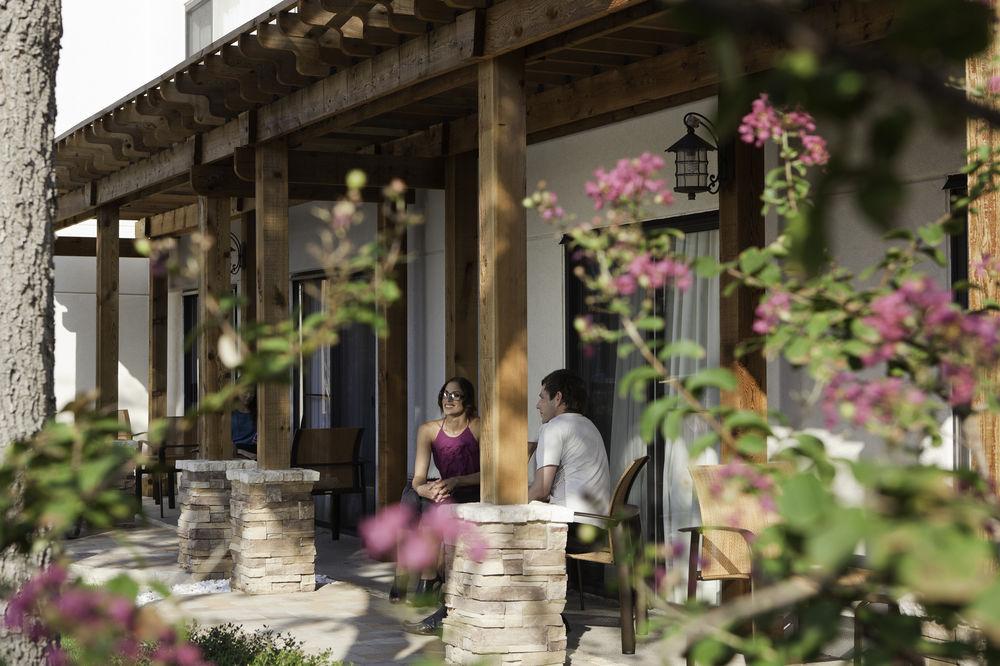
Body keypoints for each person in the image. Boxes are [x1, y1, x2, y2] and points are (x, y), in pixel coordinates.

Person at [393, 376, 480, 611]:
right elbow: (419, 477)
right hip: (445, 490)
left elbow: (491, 474)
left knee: (433, 506)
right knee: (411, 496)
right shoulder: (428, 430)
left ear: (468, 400)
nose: (448, 399)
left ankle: (428, 578)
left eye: (455, 395)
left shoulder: (478, 427)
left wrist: (456, 481)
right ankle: (403, 572)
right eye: (444, 394)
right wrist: (425, 490)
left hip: (470, 490)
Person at [528, 369, 611, 554]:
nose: (537, 404)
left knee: (507, 530)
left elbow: (541, 489)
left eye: (542, 397)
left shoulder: (554, 427)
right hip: (597, 529)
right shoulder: (590, 426)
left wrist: (510, 505)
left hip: (573, 528)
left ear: (557, 398)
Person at [231, 386, 257, 455]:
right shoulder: (229, 412)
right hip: (234, 450)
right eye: (245, 392)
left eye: (252, 393)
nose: (249, 396)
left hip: (253, 450)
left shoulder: (258, 411)